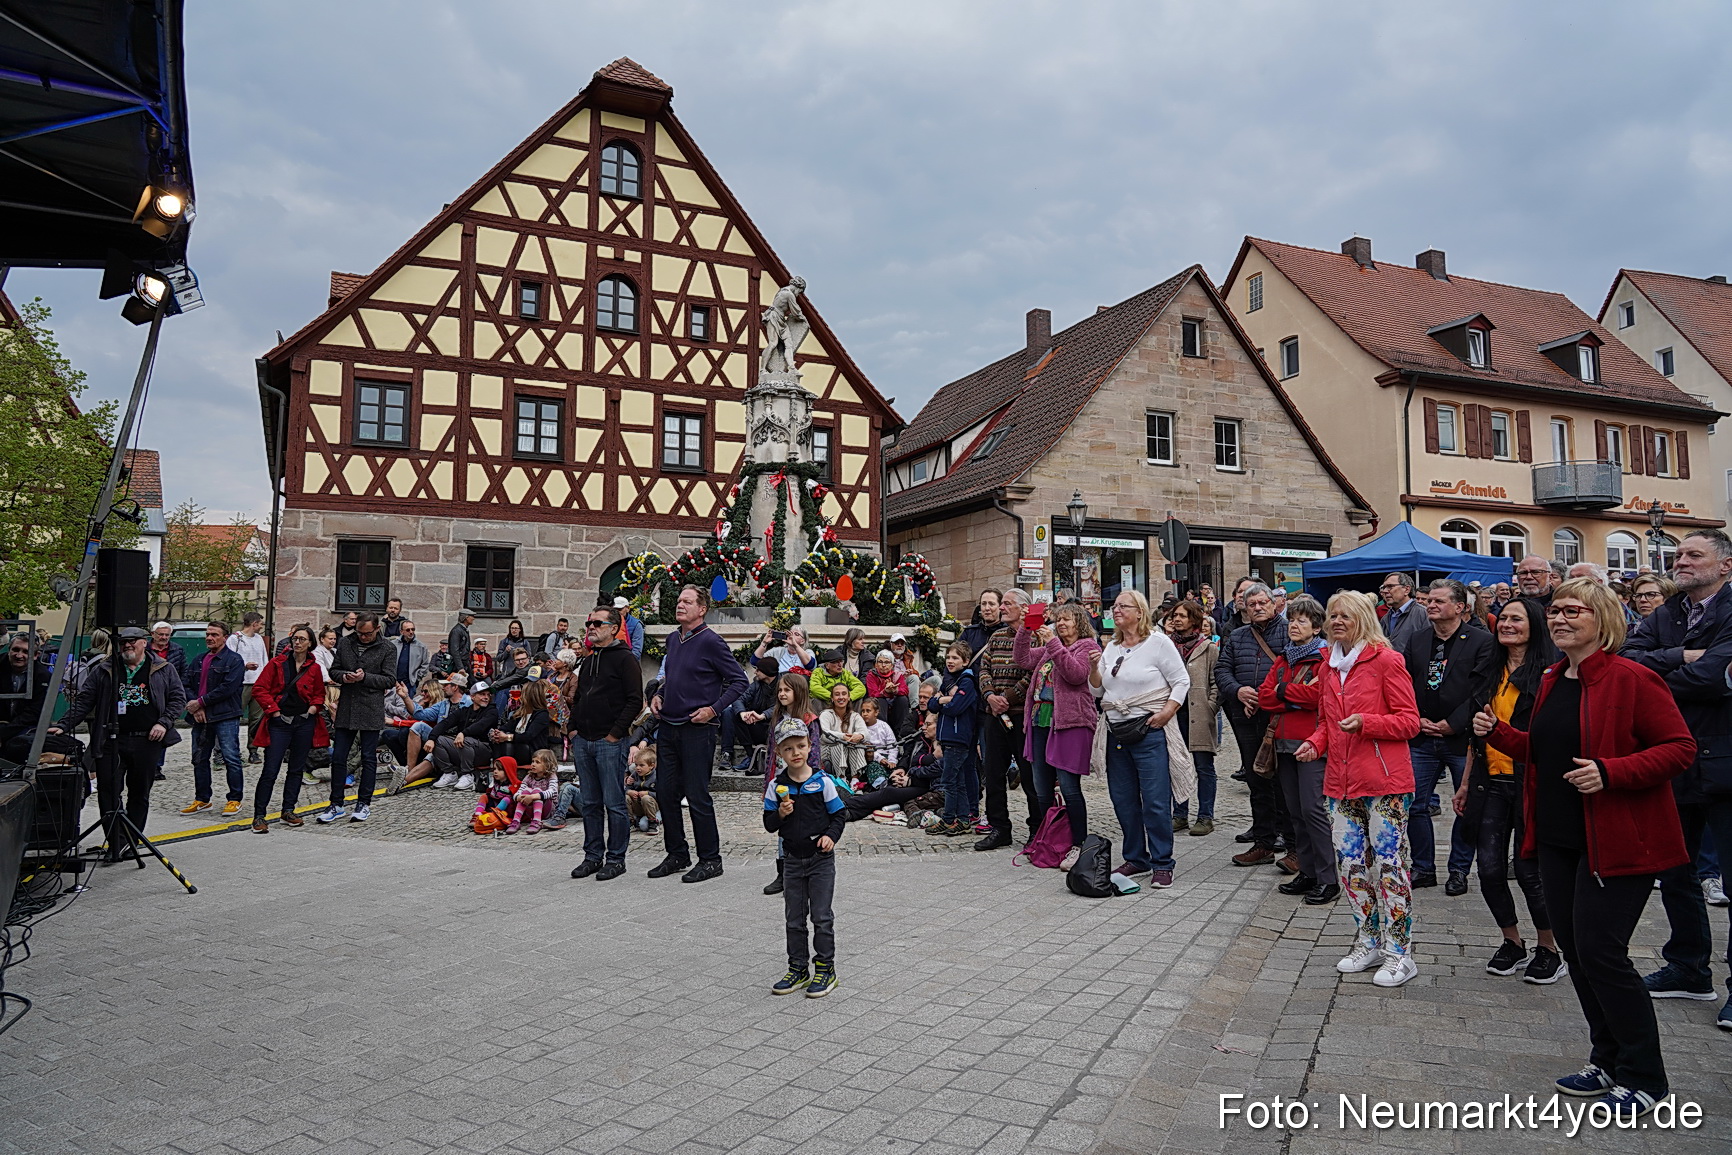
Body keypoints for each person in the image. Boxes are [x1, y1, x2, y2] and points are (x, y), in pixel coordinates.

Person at [1476, 578, 1695, 1117]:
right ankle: (1607, 1058)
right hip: (1558, 838)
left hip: (1617, 841)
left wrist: (1611, 772)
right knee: (1576, 954)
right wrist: (1499, 733)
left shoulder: (1632, 678)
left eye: (1574, 610)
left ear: (1603, 619)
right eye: (1555, 610)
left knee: (1603, 955)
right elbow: (1545, 750)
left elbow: (1679, 748)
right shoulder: (1554, 677)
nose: (1559, 618)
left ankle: (1645, 1077)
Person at [1621, 529, 1732, 1022]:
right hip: (1676, 760)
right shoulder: (1668, 612)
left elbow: (1715, 676)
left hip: (1726, 758)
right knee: (1676, 871)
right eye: (1678, 554)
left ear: (1725, 565)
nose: (1680, 561)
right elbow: (1626, 661)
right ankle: (1689, 968)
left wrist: (1665, 670)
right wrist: (1683, 657)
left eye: (1693, 555)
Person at [1295, 592, 1422, 988]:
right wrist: (1315, 743)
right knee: (1351, 868)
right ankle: (1368, 942)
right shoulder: (1328, 667)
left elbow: (1410, 721)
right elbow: (1326, 722)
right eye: (1332, 615)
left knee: (1390, 866)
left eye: (1345, 616)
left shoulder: (1387, 661)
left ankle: (1400, 953)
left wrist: (1368, 722)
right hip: (1340, 783)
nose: (1337, 621)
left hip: (1384, 782)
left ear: (1363, 619)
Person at [1455, 597, 1565, 982]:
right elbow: (1477, 733)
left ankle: (1549, 948)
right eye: (1503, 618)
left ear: (1534, 625)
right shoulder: (1490, 670)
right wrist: (1465, 783)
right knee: (1488, 869)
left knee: (1530, 871)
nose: (1506, 625)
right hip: (1489, 782)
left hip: (1531, 784)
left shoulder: (1551, 673)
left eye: (1516, 619)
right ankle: (1512, 941)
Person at [49, 626, 186, 862]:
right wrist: (63, 725)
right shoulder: (105, 669)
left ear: (144, 643)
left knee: (139, 793)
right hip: (111, 740)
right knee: (108, 792)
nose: (127, 646)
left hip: (147, 740)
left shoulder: (163, 668)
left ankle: (131, 840)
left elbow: (178, 698)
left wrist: (163, 723)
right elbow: (85, 700)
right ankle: (115, 842)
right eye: (123, 642)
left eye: (132, 641)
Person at [1401, 578, 1497, 894]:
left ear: (1459, 607)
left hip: (1461, 739)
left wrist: (1452, 724)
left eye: (1438, 601)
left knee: (1465, 805)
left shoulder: (1482, 641)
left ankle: (1459, 870)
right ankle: (1423, 868)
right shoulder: (1417, 639)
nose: (1430, 605)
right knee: (1415, 805)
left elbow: (1481, 690)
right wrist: (1416, 718)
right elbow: (1405, 684)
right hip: (1421, 736)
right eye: (1429, 600)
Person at [649, 585, 747, 884]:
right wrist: (659, 694)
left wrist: (713, 709)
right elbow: (673, 677)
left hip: (698, 729)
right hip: (669, 726)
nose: (680, 605)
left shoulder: (711, 641)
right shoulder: (673, 639)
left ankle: (711, 860)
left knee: (697, 796)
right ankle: (677, 853)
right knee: (665, 794)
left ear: (702, 609)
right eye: (679, 600)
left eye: (687, 602)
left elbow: (739, 681)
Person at [1093, 590, 1190, 888]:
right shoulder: (1111, 647)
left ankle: (1162, 862)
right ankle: (1136, 857)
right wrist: (1093, 667)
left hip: (1149, 731)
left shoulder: (1158, 643)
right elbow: (1097, 691)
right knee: (1123, 800)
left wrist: (1167, 712)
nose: (1116, 610)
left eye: (1123, 606)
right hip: (1117, 733)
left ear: (1140, 612)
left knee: (1155, 801)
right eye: (1114, 606)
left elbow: (1181, 681)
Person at [1256, 594, 1339, 904]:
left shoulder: (1324, 658)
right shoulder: (1284, 658)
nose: (1294, 625)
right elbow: (1265, 697)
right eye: (1291, 620)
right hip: (1283, 743)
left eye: (1301, 621)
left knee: (1313, 811)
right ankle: (1308, 870)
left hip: (1312, 744)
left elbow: (1320, 696)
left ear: (1316, 627)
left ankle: (1328, 878)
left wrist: (1283, 692)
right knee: (1296, 812)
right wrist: (1293, 696)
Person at [763, 716, 844, 998]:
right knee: (794, 919)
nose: (795, 753)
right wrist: (780, 814)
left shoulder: (822, 782)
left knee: (821, 916)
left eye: (800, 746)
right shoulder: (776, 785)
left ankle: (826, 968)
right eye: (788, 748)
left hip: (820, 859)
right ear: (779, 753)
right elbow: (769, 824)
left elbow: (839, 815)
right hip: (792, 861)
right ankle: (798, 968)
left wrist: (831, 836)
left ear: (810, 746)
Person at [1015, 602, 1101, 862]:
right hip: (1040, 722)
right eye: (1058, 619)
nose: (1061, 624)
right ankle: (1049, 840)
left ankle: (1078, 843)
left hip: (1070, 723)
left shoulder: (1088, 647)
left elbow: (1076, 675)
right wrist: (1025, 629)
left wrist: (1052, 642)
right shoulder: (1050, 649)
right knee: (1042, 788)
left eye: (1067, 619)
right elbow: (1022, 659)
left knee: (1069, 786)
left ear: (1080, 623)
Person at [1217, 583, 1295, 867]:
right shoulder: (1238, 636)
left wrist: (1265, 696)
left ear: (1274, 604)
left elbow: (1297, 672)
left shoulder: (1289, 631)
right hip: (1246, 716)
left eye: (1263, 603)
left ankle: (1294, 845)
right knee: (1256, 778)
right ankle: (1263, 843)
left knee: (1284, 781)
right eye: (1253, 605)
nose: (1258, 608)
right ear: (1245, 609)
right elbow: (1222, 669)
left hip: (1280, 716)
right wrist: (1238, 691)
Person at [567, 606, 642, 881]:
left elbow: (635, 700)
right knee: (590, 803)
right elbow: (579, 697)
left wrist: (615, 733)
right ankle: (592, 856)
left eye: (597, 623)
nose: (591, 627)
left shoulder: (625, 659)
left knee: (614, 803)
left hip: (609, 742)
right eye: (589, 623)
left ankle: (616, 859)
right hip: (583, 740)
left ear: (613, 628)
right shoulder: (588, 660)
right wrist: (572, 728)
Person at [248, 624, 328, 832]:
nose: (297, 642)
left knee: (296, 769)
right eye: (295, 639)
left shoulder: (314, 668)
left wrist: (313, 708)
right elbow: (259, 689)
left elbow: (319, 694)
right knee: (270, 769)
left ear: (310, 643)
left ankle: (288, 810)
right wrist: (273, 711)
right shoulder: (277, 663)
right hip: (279, 723)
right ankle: (259, 816)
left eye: (302, 639)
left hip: (304, 722)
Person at [319, 611, 395, 824]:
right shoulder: (345, 643)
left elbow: (390, 679)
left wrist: (365, 677)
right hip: (348, 705)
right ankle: (336, 804)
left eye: (367, 634)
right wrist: (345, 677)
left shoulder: (388, 648)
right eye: (359, 633)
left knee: (368, 757)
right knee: (339, 756)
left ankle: (363, 803)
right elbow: (334, 670)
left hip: (371, 707)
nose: (363, 637)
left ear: (377, 629)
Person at [977, 589, 1033, 849]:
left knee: (1030, 776)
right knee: (993, 774)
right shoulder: (997, 636)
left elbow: (1034, 674)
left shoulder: (1035, 636)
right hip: (994, 716)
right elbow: (984, 669)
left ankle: (1037, 829)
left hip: (1021, 717)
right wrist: (990, 696)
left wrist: (1007, 698)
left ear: (1023, 608)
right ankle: (999, 828)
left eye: (1007, 604)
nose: (1001, 608)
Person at [1165, 600, 1220, 837]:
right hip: (1173, 714)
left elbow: (1216, 682)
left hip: (1199, 714)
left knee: (1203, 767)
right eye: (1175, 616)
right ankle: (1179, 814)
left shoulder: (1208, 648)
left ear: (1194, 620)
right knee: (1178, 765)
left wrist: (1210, 706)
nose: (1177, 619)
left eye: (1182, 616)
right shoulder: (1166, 646)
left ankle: (1205, 816)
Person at [181, 621, 247, 816]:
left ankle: (234, 799)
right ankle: (202, 799)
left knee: (231, 757)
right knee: (199, 758)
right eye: (208, 634)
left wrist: (200, 702)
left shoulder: (234, 660)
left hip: (225, 715)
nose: (209, 638)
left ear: (225, 638)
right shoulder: (199, 660)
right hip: (200, 717)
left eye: (215, 635)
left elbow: (228, 688)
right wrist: (195, 705)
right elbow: (185, 684)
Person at [931, 640, 980, 836]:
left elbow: (955, 708)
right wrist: (945, 699)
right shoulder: (949, 682)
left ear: (965, 661)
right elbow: (932, 705)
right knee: (957, 781)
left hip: (958, 738)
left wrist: (942, 701)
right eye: (948, 657)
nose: (950, 661)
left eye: (955, 658)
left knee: (949, 781)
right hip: (947, 738)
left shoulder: (967, 682)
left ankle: (950, 818)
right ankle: (962, 818)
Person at [427, 682, 499, 791]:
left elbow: (481, 726)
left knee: (466, 740)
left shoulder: (492, 711)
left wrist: (463, 733)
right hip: (464, 750)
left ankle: (467, 775)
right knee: (438, 740)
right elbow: (445, 723)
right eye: (482, 694)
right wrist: (431, 738)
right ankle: (449, 773)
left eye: (488, 695)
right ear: (472, 696)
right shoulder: (464, 711)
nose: (486, 697)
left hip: (484, 751)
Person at [226, 612, 269, 766]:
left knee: (256, 719)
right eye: (260, 624)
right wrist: (244, 666)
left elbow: (264, 660)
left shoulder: (259, 639)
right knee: (234, 717)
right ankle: (231, 751)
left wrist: (265, 679)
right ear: (254, 623)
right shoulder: (235, 639)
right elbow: (229, 660)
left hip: (258, 684)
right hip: (241, 683)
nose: (261, 627)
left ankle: (253, 750)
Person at [722, 658, 779, 771]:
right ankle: (748, 755)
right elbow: (739, 699)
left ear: (767, 672)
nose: (755, 672)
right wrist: (743, 713)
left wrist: (762, 716)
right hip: (755, 723)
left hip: (773, 726)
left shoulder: (782, 684)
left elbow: (781, 706)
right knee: (730, 712)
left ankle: (765, 758)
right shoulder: (756, 684)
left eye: (758, 670)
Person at [492, 680, 553, 767]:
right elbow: (506, 727)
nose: (520, 696)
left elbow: (528, 736)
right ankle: (499, 768)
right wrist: (497, 733)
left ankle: (504, 768)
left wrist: (507, 737)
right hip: (517, 749)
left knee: (508, 744)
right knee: (499, 741)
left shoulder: (542, 715)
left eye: (522, 693)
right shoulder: (520, 713)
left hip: (532, 751)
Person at [819, 682, 868, 782]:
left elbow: (865, 732)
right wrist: (843, 737)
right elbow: (824, 734)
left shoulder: (855, 716)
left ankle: (855, 780)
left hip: (850, 752)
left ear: (849, 697)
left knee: (856, 743)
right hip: (828, 752)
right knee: (840, 743)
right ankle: (841, 779)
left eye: (844, 694)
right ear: (832, 698)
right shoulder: (825, 714)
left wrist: (859, 736)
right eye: (837, 694)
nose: (841, 697)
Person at [506, 749, 559, 834]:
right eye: (533, 761)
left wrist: (533, 796)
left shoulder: (551, 777)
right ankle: (516, 821)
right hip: (531, 810)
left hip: (548, 811)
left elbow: (552, 792)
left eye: (537, 762)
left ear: (547, 765)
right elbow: (519, 791)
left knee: (536, 790)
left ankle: (537, 821)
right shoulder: (529, 777)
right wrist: (518, 797)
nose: (533, 764)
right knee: (526, 791)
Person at [865, 649, 911, 739]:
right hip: (881, 707)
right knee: (879, 700)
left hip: (895, 708)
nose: (883, 665)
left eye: (887, 662)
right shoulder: (871, 675)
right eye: (880, 662)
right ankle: (882, 733)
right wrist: (885, 692)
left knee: (902, 699)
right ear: (876, 664)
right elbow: (872, 693)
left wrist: (895, 690)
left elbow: (905, 690)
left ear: (892, 665)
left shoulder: (897, 675)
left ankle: (900, 734)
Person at [1378, 573, 1427, 655]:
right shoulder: (1385, 618)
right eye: (1384, 587)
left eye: (1390, 586)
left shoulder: (1423, 614)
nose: (1385, 591)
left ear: (1407, 590)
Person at [857, 698, 898, 787]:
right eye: (863, 711)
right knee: (873, 767)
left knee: (893, 768)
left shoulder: (884, 726)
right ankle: (881, 783)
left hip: (887, 756)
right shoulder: (861, 729)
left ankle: (893, 781)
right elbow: (866, 747)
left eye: (868, 711)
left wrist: (892, 760)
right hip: (872, 758)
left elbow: (892, 744)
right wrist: (879, 759)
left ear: (876, 712)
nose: (865, 714)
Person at [390, 619, 430, 690]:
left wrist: (417, 678)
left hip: (410, 683)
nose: (411, 632)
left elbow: (425, 664)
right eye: (408, 630)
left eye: (413, 629)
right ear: (401, 632)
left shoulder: (421, 646)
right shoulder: (393, 644)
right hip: (393, 682)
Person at [625, 746, 658, 832]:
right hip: (639, 805)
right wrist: (629, 791)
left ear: (651, 766)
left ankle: (653, 823)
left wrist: (647, 793)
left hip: (653, 807)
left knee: (646, 798)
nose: (638, 768)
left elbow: (663, 795)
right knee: (626, 797)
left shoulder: (656, 777)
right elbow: (626, 788)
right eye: (636, 765)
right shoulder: (635, 775)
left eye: (641, 765)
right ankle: (631, 822)